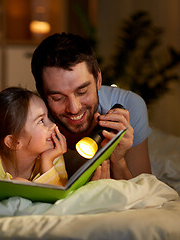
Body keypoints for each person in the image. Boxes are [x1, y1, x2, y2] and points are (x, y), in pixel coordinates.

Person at [31, 32, 152, 180]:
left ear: (98, 79)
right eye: (58, 98)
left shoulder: (129, 105)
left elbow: (145, 192)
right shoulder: (32, 116)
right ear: (42, 94)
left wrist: (118, 160)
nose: (74, 108)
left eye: (82, 92)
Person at [0, 87, 110, 194]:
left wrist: (47, 162)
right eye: (41, 121)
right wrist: (11, 188)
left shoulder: (53, 155)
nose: (52, 125)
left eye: (48, 117)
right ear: (14, 142)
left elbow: (60, 198)